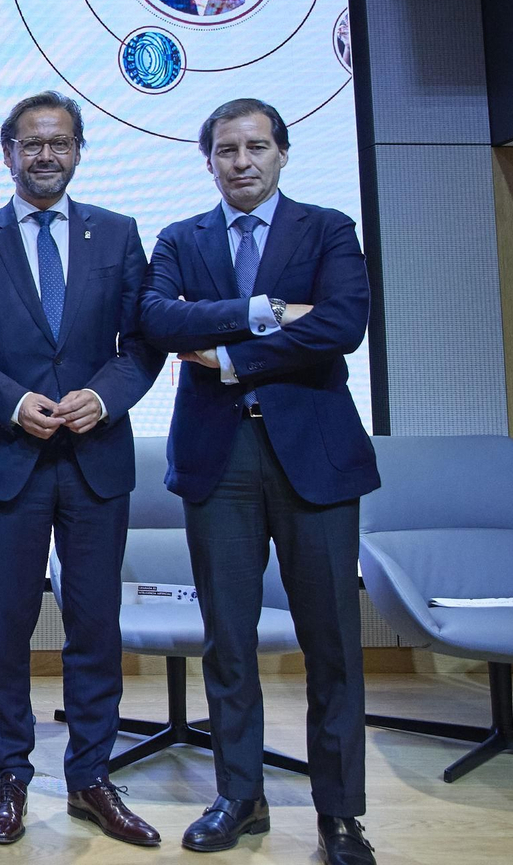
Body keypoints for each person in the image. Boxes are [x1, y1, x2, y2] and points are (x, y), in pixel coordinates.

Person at [140, 99, 379, 865]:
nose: (241, 162)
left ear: (282, 152)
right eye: (226, 150)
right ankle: (239, 796)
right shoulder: (181, 238)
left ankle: (340, 815)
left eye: (255, 147)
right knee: (229, 641)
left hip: (315, 456)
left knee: (333, 643)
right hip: (219, 458)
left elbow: (342, 324)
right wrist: (271, 311)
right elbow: (160, 322)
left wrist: (233, 354)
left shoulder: (328, 229)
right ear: (207, 159)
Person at [0, 92, 165, 848]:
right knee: (3, 627)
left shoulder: (118, 233)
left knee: (94, 625)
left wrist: (102, 398)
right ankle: (9, 774)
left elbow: (143, 343)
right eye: (32, 143)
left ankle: (91, 777)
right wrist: (12, 403)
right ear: (7, 151)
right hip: (5, 458)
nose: (46, 155)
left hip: (94, 458)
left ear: (79, 150)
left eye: (60, 142)